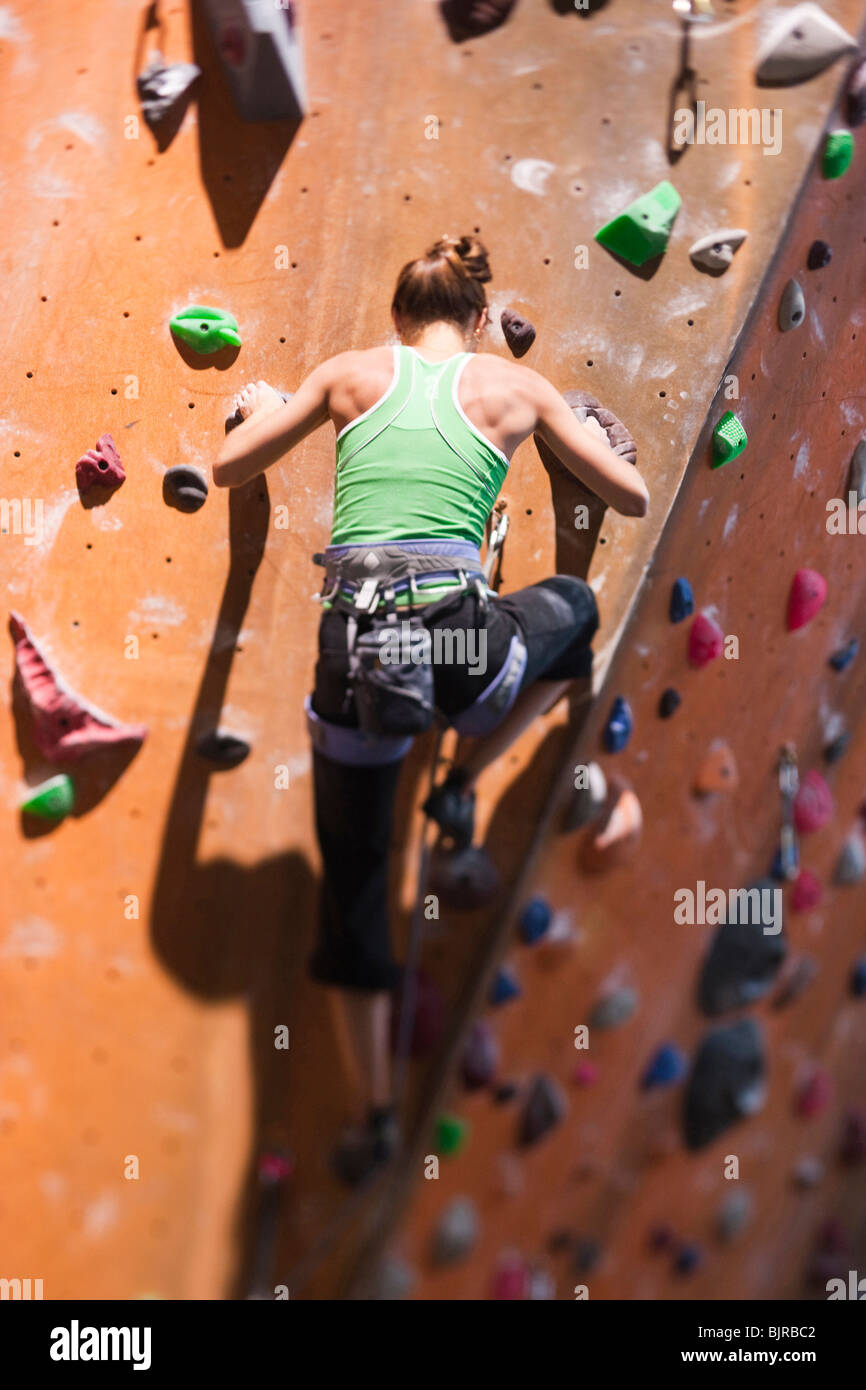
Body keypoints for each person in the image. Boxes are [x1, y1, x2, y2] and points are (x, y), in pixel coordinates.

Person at [212, 234, 649, 1181]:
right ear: (481, 320)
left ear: (397, 322)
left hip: (357, 657)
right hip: (459, 645)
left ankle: (374, 1119)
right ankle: (463, 782)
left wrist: (253, 410)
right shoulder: (514, 391)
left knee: (358, 896)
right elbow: (634, 493)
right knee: (572, 618)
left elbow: (228, 469)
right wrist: (594, 453)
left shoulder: (347, 377)